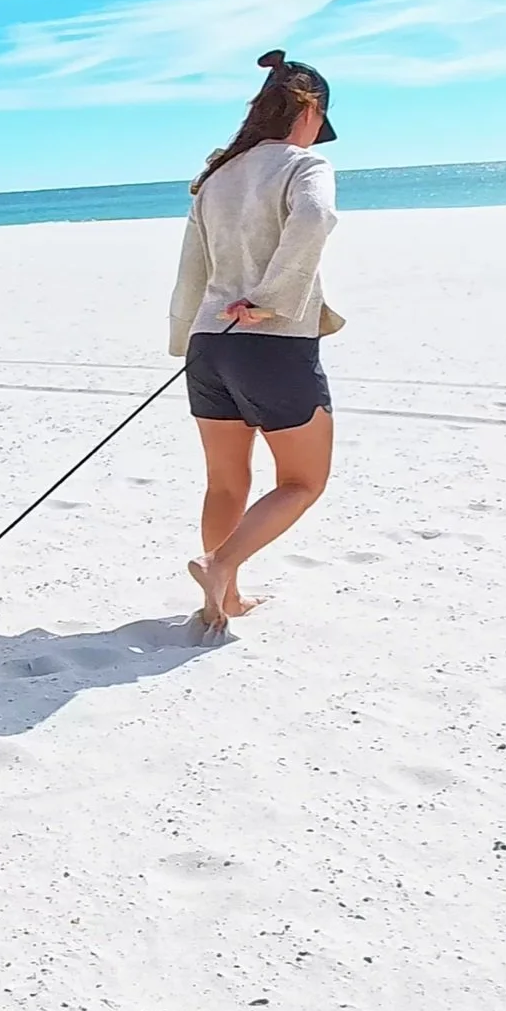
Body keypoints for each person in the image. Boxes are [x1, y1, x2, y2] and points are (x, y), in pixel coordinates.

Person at [166, 49, 343, 638]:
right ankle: (220, 565)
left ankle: (225, 599)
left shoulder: (217, 176)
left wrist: (187, 335)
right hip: (270, 340)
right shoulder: (302, 166)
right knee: (303, 481)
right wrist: (271, 299)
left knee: (224, 480)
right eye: (321, 122)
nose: (319, 136)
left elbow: (194, 267)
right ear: (308, 109)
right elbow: (314, 219)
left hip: (209, 343)